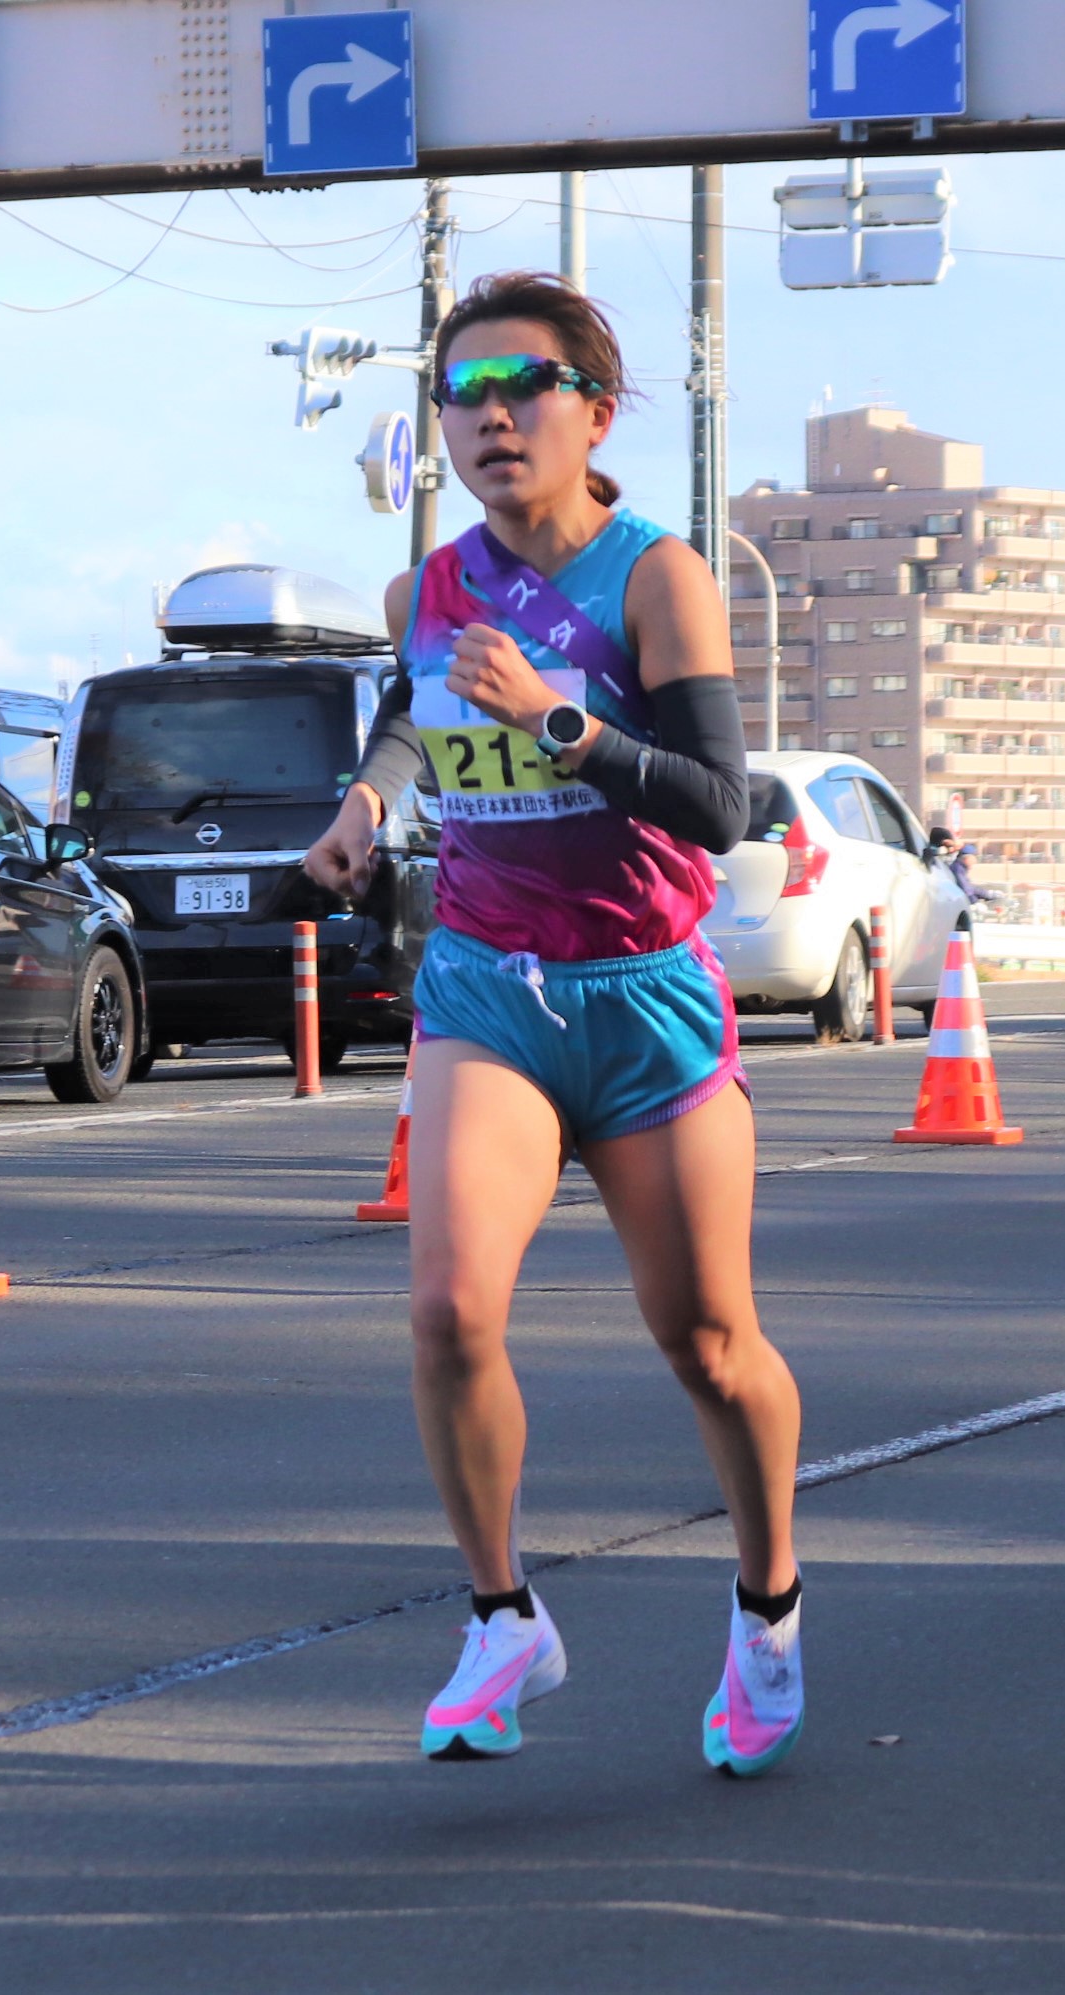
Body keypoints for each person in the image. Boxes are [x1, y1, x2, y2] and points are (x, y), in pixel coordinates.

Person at [304, 272, 806, 1778]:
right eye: (463, 393)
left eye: (527, 385)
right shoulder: (426, 589)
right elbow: (415, 703)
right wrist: (368, 799)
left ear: (596, 407)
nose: (493, 415)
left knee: (709, 1343)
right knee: (450, 1310)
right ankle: (500, 1610)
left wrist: (561, 722)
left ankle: (769, 1608)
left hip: (645, 992)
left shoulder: (658, 575)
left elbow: (722, 808)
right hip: (487, 982)